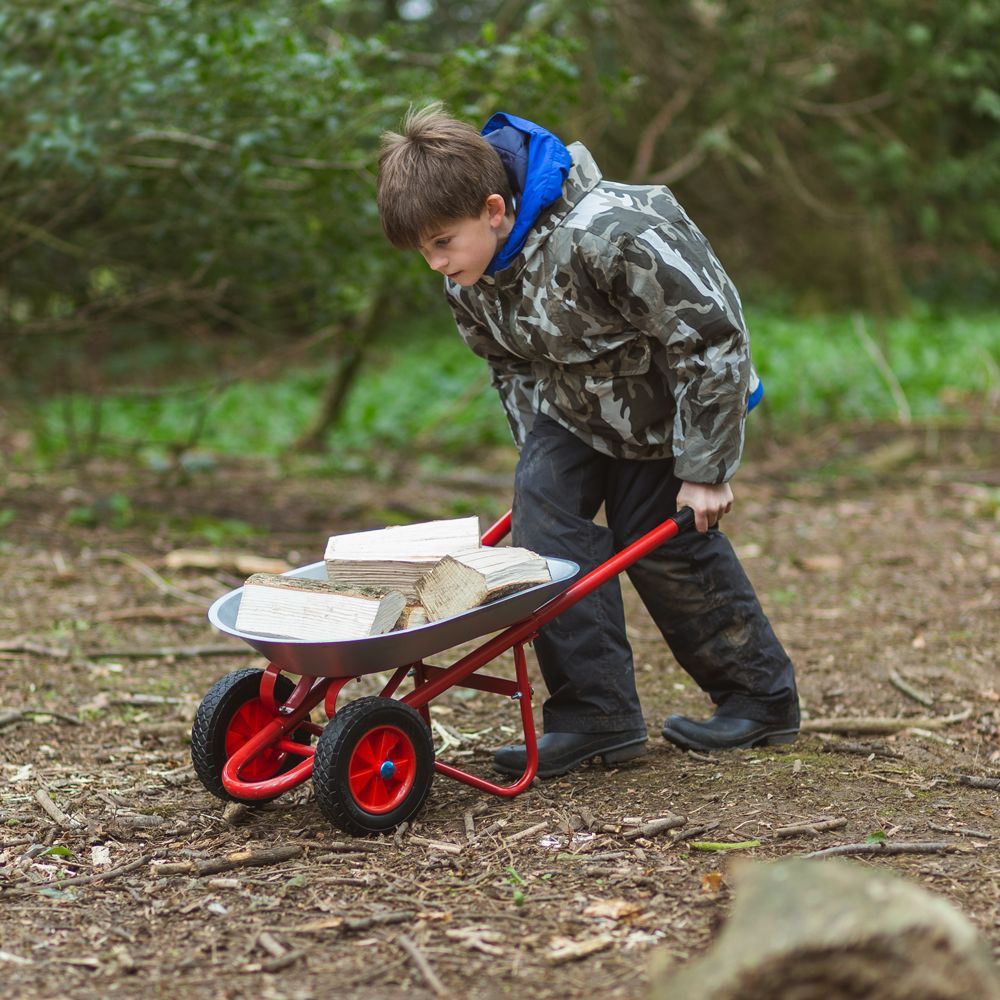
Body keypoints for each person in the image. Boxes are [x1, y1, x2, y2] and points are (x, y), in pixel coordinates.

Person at [376, 104, 799, 777]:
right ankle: (595, 717)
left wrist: (707, 467)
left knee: (663, 545)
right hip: (573, 413)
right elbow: (508, 362)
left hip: (671, 411)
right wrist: (538, 448)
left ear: (493, 209)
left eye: (441, 242)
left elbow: (713, 337)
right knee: (546, 540)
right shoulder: (472, 276)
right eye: (423, 251)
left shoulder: (610, 232)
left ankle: (759, 700)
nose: (435, 264)